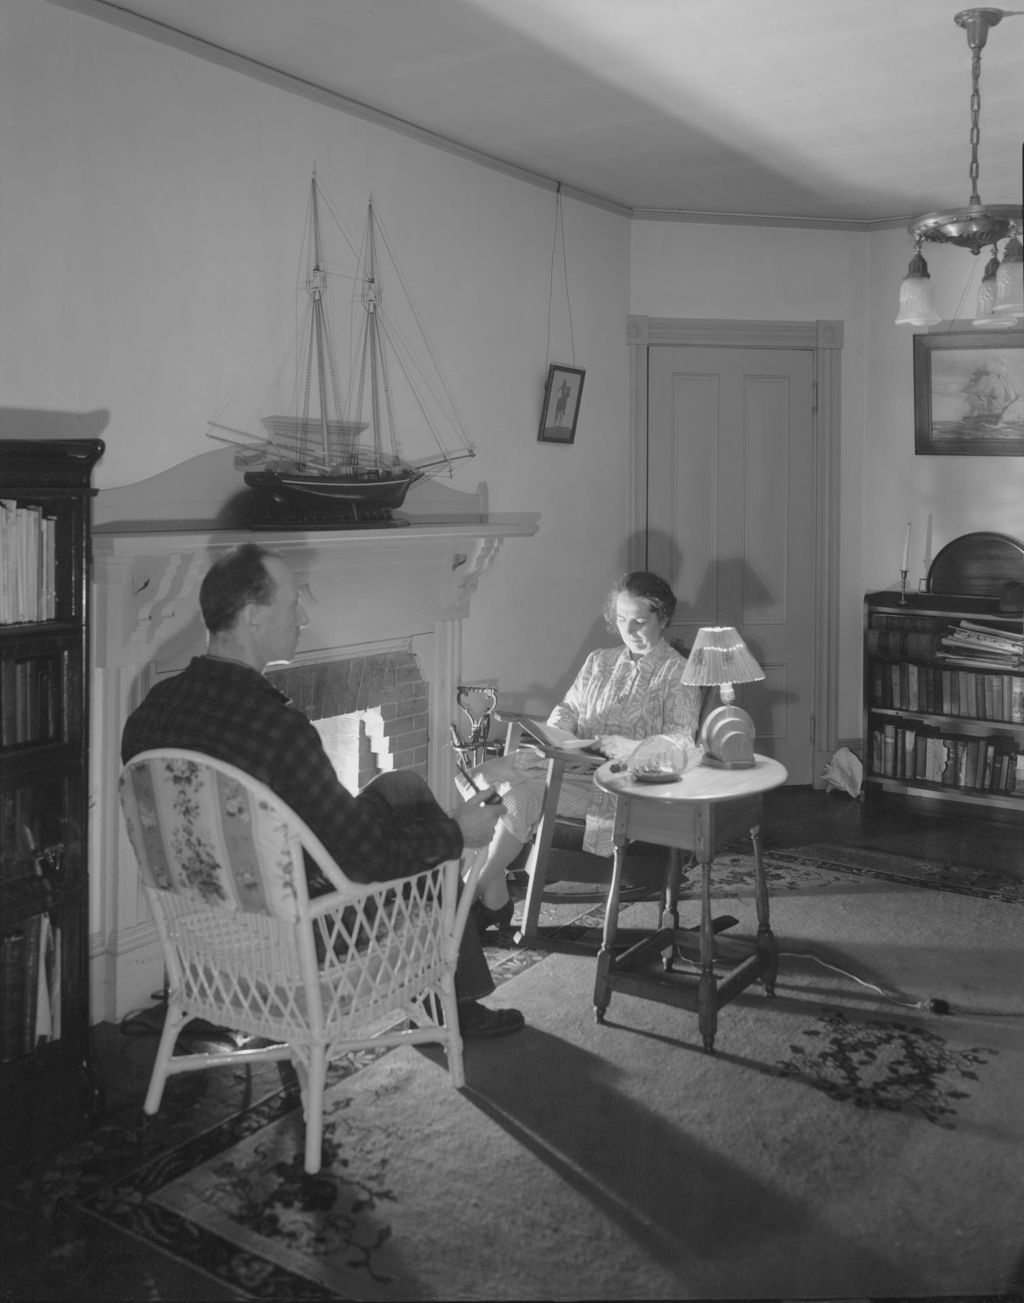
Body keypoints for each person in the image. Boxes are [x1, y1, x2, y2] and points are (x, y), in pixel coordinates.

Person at [121, 542, 524, 1039]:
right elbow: (365, 859)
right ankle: (453, 1004)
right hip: (301, 931)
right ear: (252, 617)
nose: (305, 616)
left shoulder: (151, 711)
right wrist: (456, 834)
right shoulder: (278, 727)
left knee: (402, 787)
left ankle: (455, 991)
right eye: (293, 602)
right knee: (432, 838)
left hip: (203, 931)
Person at [461, 571, 703, 932]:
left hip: (624, 790)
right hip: (572, 769)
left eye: (640, 621)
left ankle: (466, 902)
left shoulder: (678, 673)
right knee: (503, 785)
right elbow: (568, 709)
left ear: (663, 618)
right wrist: (559, 733)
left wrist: (632, 747)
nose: (629, 630)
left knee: (518, 794)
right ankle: (491, 900)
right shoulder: (599, 662)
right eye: (622, 620)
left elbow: (682, 743)